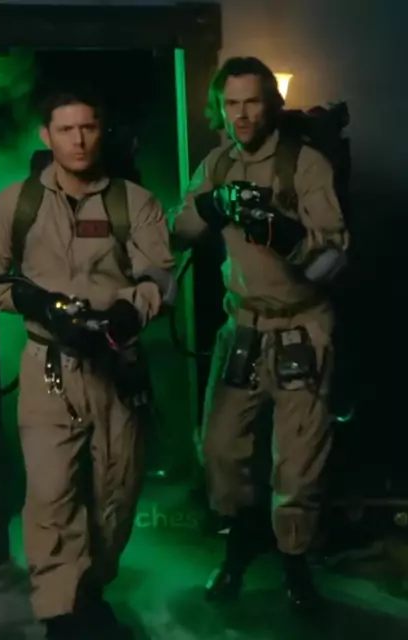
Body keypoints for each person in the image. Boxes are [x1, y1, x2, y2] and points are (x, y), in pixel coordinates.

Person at [0, 90, 176, 639]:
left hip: (116, 366)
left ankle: (88, 592)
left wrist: (129, 311)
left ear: (101, 131)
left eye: (88, 128)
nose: (78, 140)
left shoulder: (135, 203)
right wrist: (35, 302)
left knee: (115, 495)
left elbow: (161, 276)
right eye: (66, 130)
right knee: (51, 493)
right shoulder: (17, 204)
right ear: (46, 136)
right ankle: (60, 614)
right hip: (50, 368)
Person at [170, 57, 349, 608]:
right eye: (232, 104)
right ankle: (240, 542)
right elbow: (178, 229)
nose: (242, 114)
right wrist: (214, 203)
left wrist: (280, 231)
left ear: (270, 103)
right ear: (220, 109)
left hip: (302, 326)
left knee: (298, 461)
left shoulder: (305, 164)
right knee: (221, 450)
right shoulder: (218, 163)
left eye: (251, 102)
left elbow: (334, 258)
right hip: (242, 326)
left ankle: (295, 562)